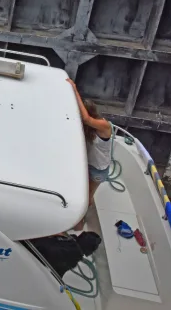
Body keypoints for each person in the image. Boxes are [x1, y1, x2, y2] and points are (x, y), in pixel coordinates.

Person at [67, 78, 112, 230]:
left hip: (98, 169)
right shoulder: (86, 129)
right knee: (81, 193)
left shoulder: (104, 126)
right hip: (87, 165)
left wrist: (74, 89)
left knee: (86, 197)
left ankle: (79, 224)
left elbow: (86, 119)